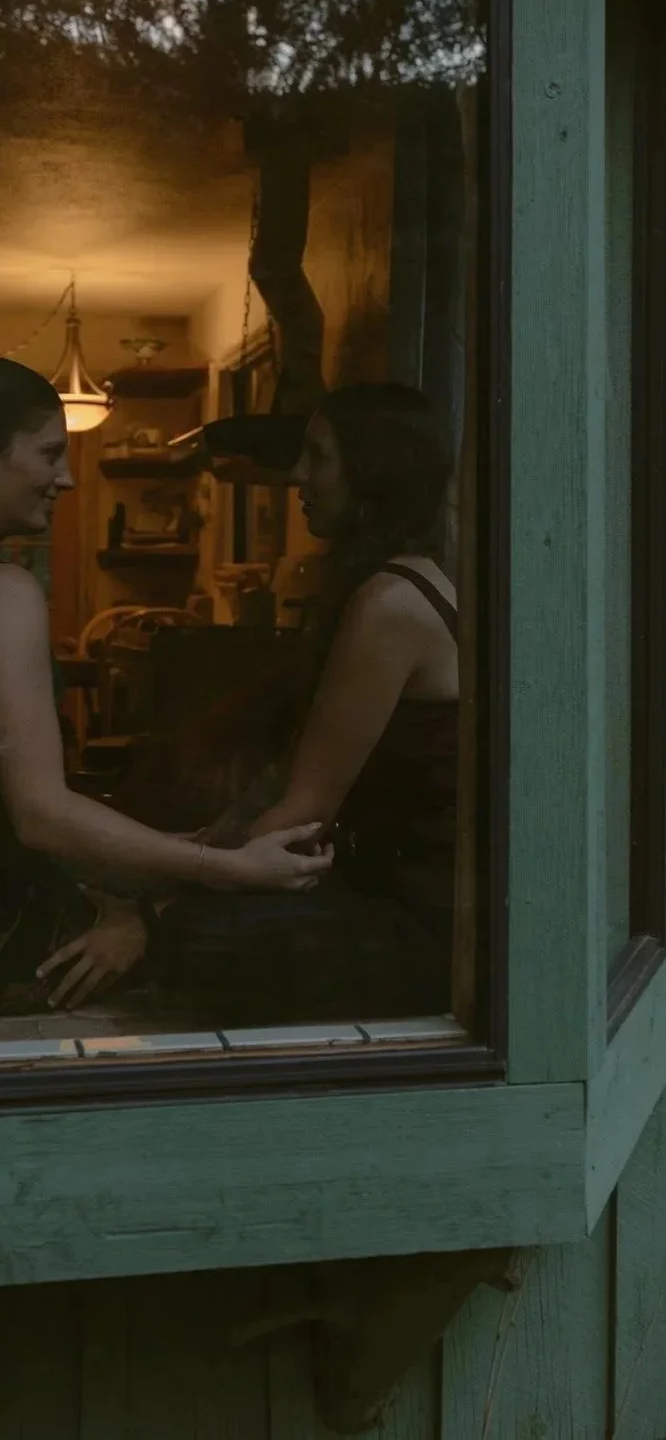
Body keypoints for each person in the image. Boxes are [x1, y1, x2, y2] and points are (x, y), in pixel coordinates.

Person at [0, 339, 332, 1016]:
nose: (67, 478)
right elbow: (39, 816)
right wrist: (223, 869)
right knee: (266, 938)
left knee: (165, 886)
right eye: (49, 453)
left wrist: (166, 856)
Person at [147, 383, 460, 1022]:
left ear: (373, 470)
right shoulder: (403, 580)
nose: (296, 476)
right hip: (383, 889)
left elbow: (305, 812)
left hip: (422, 920)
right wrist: (187, 856)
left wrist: (156, 911)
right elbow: (283, 782)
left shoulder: (391, 603)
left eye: (319, 457)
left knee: (193, 941)